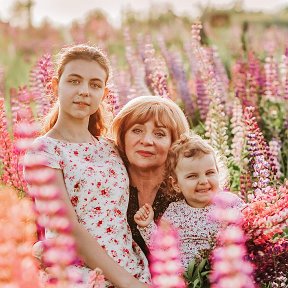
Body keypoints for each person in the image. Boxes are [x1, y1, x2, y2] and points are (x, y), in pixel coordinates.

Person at [24, 44, 150, 288]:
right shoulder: (44, 151)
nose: (84, 91)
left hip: (132, 267)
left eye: (94, 85)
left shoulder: (111, 148)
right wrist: (126, 282)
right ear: (54, 86)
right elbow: (68, 229)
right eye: (74, 81)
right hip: (80, 275)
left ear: (103, 94)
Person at [134, 133, 244, 269]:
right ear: (176, 184)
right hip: (187, 278)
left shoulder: (230, 203)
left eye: (210, 173)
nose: (203, 181)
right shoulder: (175, 211)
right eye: (192, 176)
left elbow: (250, 229)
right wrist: (147, 226)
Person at [110, 95, 190, 257]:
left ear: (174, 143)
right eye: (137, 130)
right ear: (123, 136)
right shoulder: (106, 184)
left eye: (159, 134)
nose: (146, 141)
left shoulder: (187, 190)